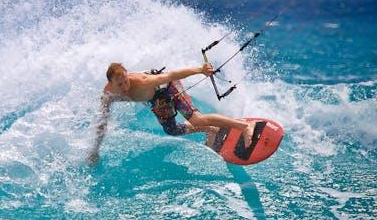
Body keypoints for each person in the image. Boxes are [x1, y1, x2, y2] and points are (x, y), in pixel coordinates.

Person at [87, 62, 255, 164]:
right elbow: (102, 122)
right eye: (120, 85)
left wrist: (200, 70)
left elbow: (172, 74)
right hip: (155, 99)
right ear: (110, 83)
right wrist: (95, 150)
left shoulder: (143, 81)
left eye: (126, 81)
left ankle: (244, 126)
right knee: (172, 130)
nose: (125, 87)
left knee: (197, 119)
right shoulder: (108, 96)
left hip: (168, 87)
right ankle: (211, 129)